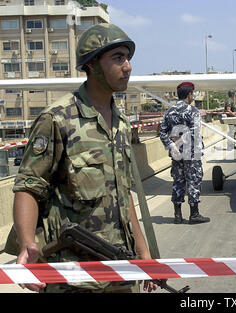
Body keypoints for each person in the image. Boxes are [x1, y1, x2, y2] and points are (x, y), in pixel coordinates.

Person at [10, 23, 158, 293]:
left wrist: (143, 254)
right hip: (71, 275)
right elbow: (28, 186)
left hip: (120, 269)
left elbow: (124, 195)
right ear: (91, 64)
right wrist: (26, 244)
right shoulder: (57, 119)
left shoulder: (122, 123)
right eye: (117, 58)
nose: (128, 66)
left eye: (128, 58)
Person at [159, 82, 210, 225]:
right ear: (189, 95)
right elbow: (194, 131)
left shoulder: (169, 112)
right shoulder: (192, 111)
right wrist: (180, 141)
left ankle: (177, 215)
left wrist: (171, 145)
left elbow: (162, 132)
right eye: (192, 94)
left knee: (178, 182)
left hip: (176, 154)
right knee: (193, 181)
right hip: (191, 153)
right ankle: (194, 215)